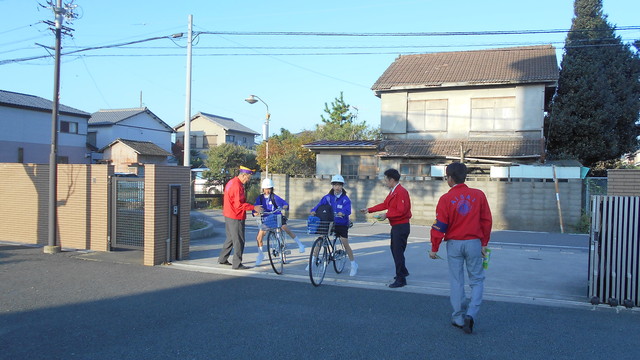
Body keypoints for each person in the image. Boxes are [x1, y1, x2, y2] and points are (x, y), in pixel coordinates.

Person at [429, 162, 492, 334]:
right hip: (474, 243)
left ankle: (457, 317)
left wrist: (434, 247)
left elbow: (440, 225)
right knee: (477, 280)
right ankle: (471, 314)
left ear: (449, 178)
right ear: (465, 176)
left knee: (457, 281)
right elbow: (486, 221)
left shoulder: (445, 199)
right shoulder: (478, 195)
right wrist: (484, 243)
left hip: (454, 244)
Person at [360, 169, 412, 288]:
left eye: (386, 179)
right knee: (395, 250)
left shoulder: (401, 192)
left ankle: (401, 279)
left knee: (397, 252)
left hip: (401, 226)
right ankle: (402, 271)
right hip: (396, 226)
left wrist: (386, 215)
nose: (385, 182)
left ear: (392, 180)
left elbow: (401, 210)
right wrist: (369, 209)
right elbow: (385, 204)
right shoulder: (394, 191)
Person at [309, 174, 358, 276]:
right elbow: (319, 205)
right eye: (335, 185)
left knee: (345, 243)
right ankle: (312, 261)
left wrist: (343, 213)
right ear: (332, 186)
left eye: (339, 185)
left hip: (341, 223)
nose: (337, 187)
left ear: (342, 186)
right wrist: (314, 210)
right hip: (329, 222)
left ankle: (353, 264)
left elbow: (348, 209)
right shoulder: (327, 197)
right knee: (320, 238)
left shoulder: (345, 199)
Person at [218, 166, 263, 270]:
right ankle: (237, 263)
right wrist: (254, 207)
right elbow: (239, 205)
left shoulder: (231, 182)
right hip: (236, 216)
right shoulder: (237, 186)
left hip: (229, 214)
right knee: (239, 240)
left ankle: (222, 258)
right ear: (243, 175)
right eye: (248, 178)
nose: (248, 180)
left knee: (230, 238)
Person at [253, 178, 305, 266]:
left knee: (285, 228)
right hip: (266, 219)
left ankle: (300, 244)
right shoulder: (260, 198)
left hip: (276, 217)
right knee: (259, 237)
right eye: (266, 189)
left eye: (269, 189)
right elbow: (255, 208)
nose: (267, 191)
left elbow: (284, 203)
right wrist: (255, 213)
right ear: (263, 189)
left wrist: (284, 206)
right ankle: (260, 254)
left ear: (272, 189)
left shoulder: (274, 197)